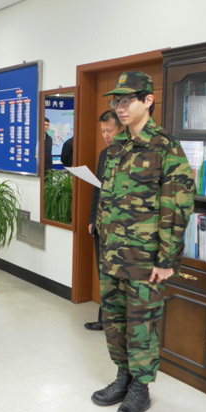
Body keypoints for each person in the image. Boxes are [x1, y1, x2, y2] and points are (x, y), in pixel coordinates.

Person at [92, 71, 195, 412]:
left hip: (145, 260)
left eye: (127, 100)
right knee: (114, 321)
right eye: (115, 101)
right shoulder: (116, 146)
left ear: (148, 100)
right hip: (112, 256)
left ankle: (140, 388)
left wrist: (167, 260)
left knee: (142, 326)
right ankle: (122, 376)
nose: (119, 107)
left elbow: (177, 207)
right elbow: (106, 198)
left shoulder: (165, 147)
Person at [84, 110, 124, 331]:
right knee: (104, 273)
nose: (106, 135)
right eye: (103, 131)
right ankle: (104, 319)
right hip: (101, 225)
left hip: (120, 227)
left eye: (110, 130)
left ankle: (116, 323)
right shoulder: (104, 154)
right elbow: (96, 190)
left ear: (121, 128)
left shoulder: (130, 155)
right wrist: (92, 219)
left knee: (117, 276)